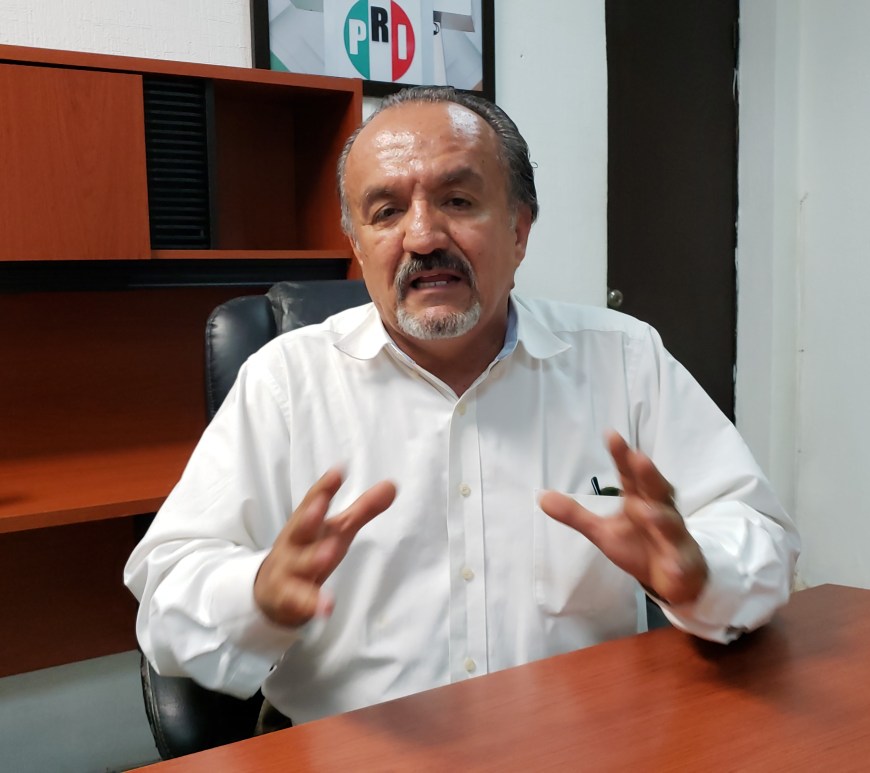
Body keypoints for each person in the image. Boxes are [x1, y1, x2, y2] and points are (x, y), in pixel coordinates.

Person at [124, 86, 800, 727]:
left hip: (585, 742)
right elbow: (168, 595)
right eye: (386, 212)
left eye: (457, 200)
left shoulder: (623, 359)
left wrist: (701, 573)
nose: (423, 237)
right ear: (357, 245)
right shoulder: (285, 381)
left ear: (519, 230)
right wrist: (257, 594)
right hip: (353, 750)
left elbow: (759, 533)